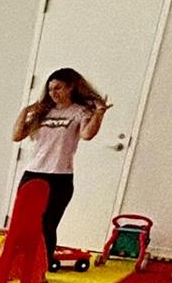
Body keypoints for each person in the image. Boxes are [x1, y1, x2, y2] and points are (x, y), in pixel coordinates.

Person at [12, 67, 112, 267]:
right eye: (50, 89)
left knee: (47, 224)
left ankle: (42, 265)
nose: (53, 93)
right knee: (23, 222)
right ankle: (17, 261)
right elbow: (16, 136)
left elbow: (87, 135)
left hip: (59, 176)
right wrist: (25, 111)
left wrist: (99, 113)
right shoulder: (44, 112)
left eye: (58, 88)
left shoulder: (79, 111)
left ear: (71, 87)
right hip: (33, 173)